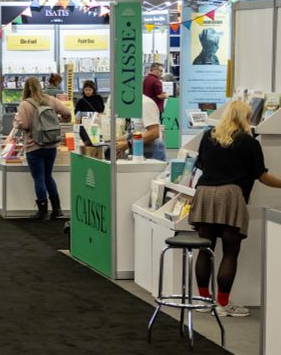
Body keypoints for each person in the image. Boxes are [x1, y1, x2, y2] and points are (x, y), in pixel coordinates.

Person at [188, 99, 281, 317]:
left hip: (204, 194)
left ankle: (203, 301)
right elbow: (262, 176)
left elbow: (202, 165)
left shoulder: (208, 136)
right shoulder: (248, 142)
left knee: (205, 248)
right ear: (245, 118)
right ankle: (223, 304)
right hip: (231, 196)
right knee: (230, 252)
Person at [14, 77, 72, 220]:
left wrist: (19, 123)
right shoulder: (51, 100)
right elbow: (67, 113)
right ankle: (57, 209)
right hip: (51, 144)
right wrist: (58, 120)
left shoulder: (25, 104)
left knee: (39, 178)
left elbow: (23, 125)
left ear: (25, 88)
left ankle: (42, 211)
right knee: (48, 176)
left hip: (34, 145)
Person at [115, 94, 166, 160]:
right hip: (141, 151)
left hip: (152, 153)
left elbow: (154, 133)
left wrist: (128, 144)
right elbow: (136, 132)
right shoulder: (134, 105)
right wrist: (112, 141)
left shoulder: (146, 104)